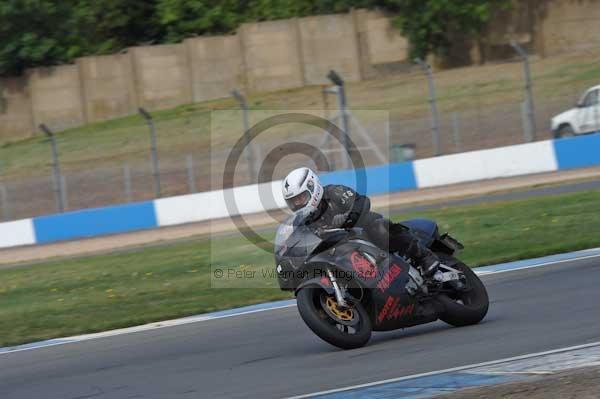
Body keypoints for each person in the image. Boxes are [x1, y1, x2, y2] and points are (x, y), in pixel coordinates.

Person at [281, 167, 440, 277]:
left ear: (312, 188)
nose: (298, 203)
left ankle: (424, 257)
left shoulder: (333, 192)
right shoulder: (303, 220)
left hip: (363, 232)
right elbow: (294, 240)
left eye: (301, 198)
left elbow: (362, 202)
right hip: (342, 249)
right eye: (293, 201)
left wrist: (348, 220)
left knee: (379, 226)